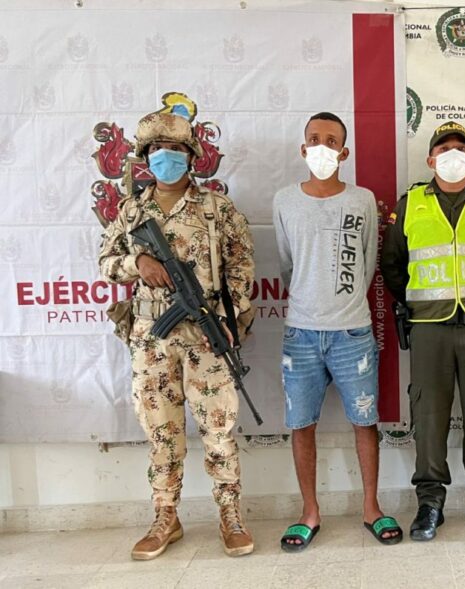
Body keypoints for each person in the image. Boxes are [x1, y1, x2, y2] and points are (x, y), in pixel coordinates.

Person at [99, 109, 256, 559]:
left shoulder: (217, 209)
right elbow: (106, 261)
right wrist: (137, 264)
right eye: (157, 151)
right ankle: (166, 516)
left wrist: (229, 317)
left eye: (176, 150)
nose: (166, 157)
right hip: (151, 336)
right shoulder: (132, 211)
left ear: (191, 156)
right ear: (146, 157)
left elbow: (242, 266)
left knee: (219, 430)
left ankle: (230, 515)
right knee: (162, 433)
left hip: (207, 336)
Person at [380, 121, 465, 541]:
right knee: (428, 413)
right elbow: (392, 263)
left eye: (461, 149)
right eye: (444, 149)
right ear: (430, 159)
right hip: (428, 326)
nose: (453, 155)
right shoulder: (411, 204)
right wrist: (420, 302)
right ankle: (430, 505)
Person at [273, 112, 402, 552]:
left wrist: (343, 305)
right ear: (303, 148)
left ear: (344, 152)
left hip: (353, 334)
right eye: (314, 139)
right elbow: (287, 263)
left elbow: (368, 263)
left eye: (332, 140)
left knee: (365, 422)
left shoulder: (363, 200)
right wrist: (311, 301)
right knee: (301, 424)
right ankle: (309, 512)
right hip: (301, 335)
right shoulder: (284, 201)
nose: (323, 146)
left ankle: (371, 507)